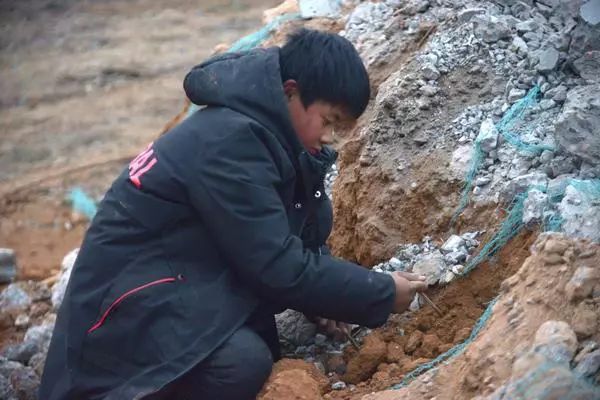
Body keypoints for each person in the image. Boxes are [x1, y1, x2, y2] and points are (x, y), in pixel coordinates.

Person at [40, 28, 427, 400]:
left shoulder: (266, 135)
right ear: (291, 93)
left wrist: (325, 299)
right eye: (328, 121)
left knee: (253, 341)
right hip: (115, 323)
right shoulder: (231, 143)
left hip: (170, 280)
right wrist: (380, 292)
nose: (329, 137)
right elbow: (278, 266)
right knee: (241, 364)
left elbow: (285, 235)